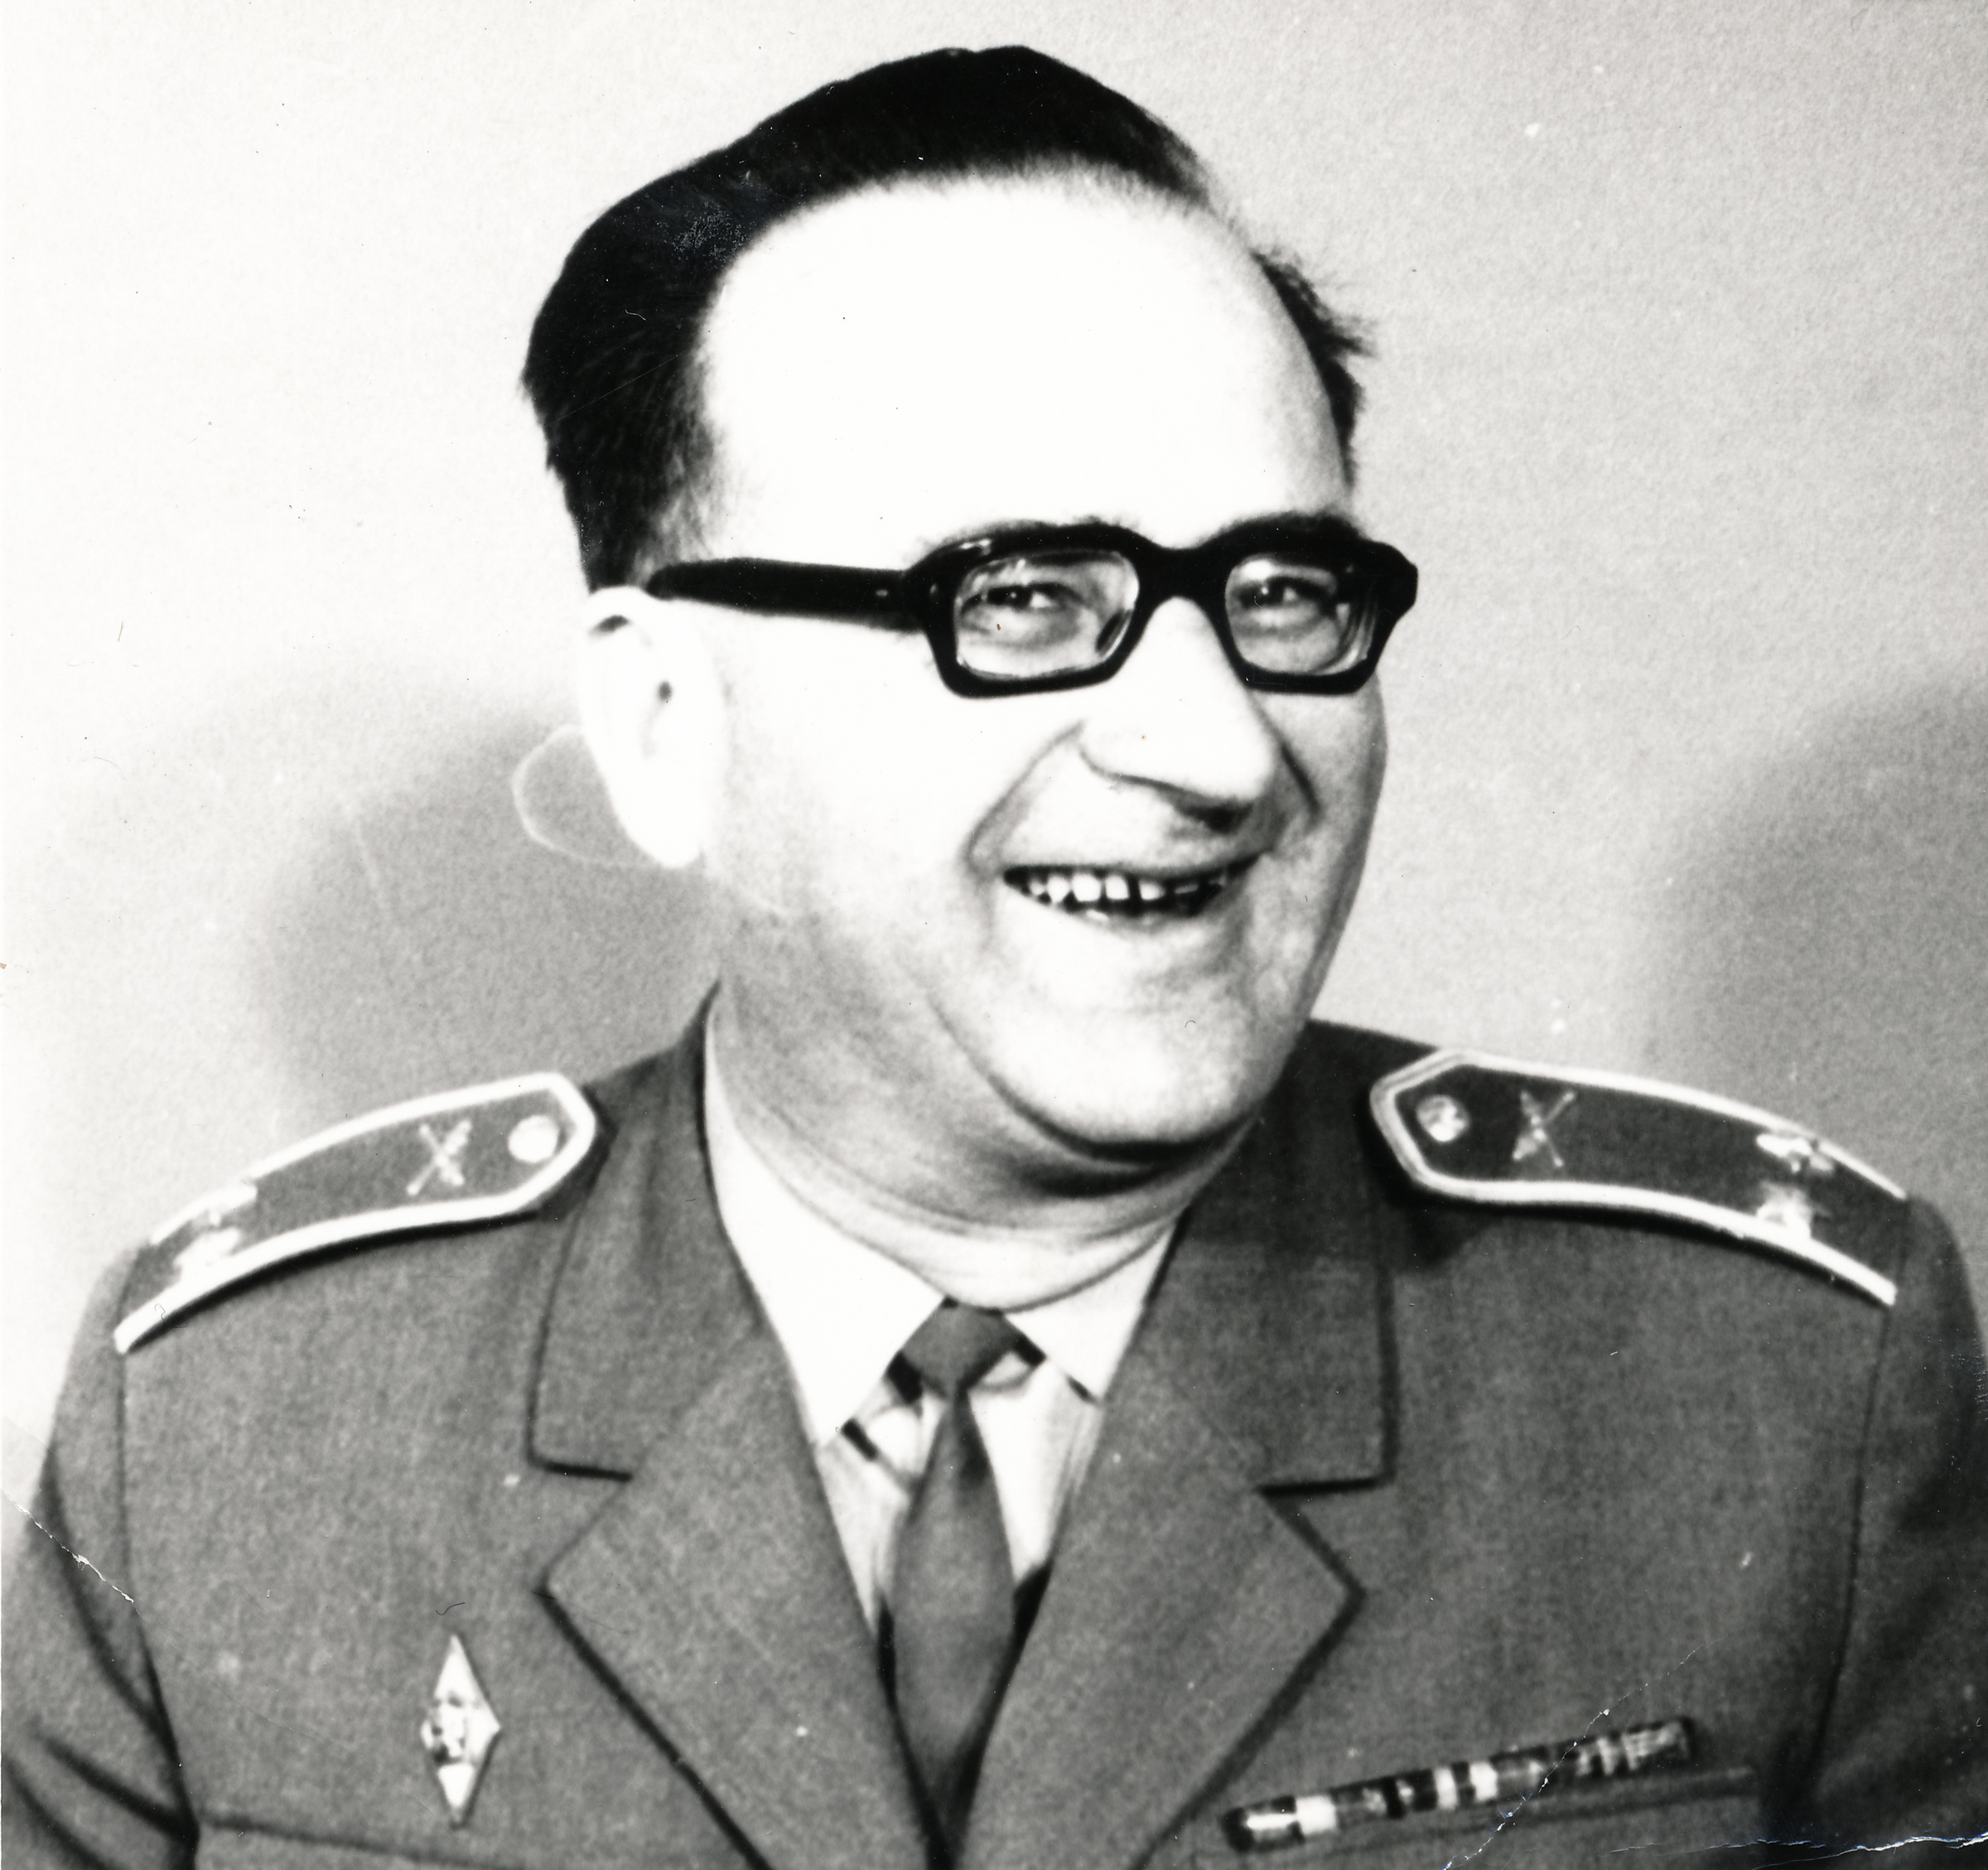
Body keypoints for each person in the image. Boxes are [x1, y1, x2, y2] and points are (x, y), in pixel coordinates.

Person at [5, 46, 1982, 1870]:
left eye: (1284, 591)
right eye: (1022, 597)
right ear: (666, 726)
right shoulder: (233, 1429)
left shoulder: (1771, 1385)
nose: (1217, 751)